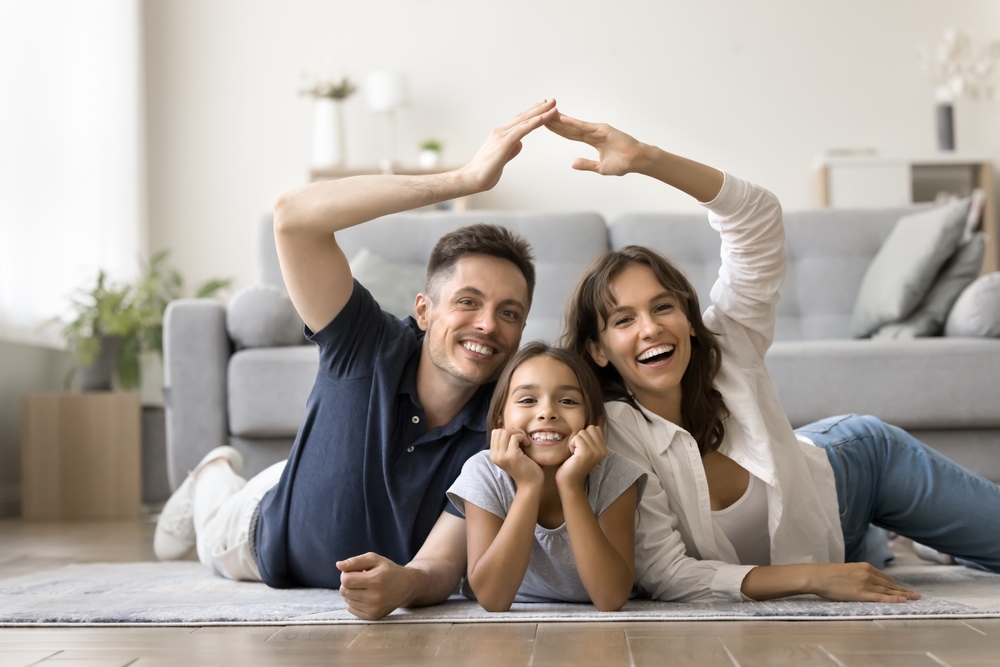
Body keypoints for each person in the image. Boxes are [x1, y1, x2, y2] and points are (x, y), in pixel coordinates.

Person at [553, 110, 1000, 603]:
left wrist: (648, 159)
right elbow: (668, 573)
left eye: (663, 307)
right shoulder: (614, 435)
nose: (652, 328)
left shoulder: (728, 344)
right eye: (624, 320)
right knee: (869, 553)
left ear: (687, 317)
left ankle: (930, 536)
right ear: (596, 349)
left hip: (855, 469)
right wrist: (815, 578)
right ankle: (918, 541)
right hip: (824, 541)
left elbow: (756, 220)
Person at [153, 100, 560, 621]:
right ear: (423, 310)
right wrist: (463, 179)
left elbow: (442, 564)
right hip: (255, 531)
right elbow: (295, 218)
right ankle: (210, 472)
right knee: (212, 521)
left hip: (315, 481)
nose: (487, 324)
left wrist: (406, 583)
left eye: (509, 312)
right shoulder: (366, 341)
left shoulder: (504, 423)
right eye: (467, 302)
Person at [447, 342, 646, 612]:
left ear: (596, 425)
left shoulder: (614, 474)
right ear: (499, 423)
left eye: (568, 401)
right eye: (528, 400)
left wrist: (571, 485)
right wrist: (529, 486)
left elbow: (610, 599)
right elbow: (493, 599)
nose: (547, 412)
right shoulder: (484, 473)